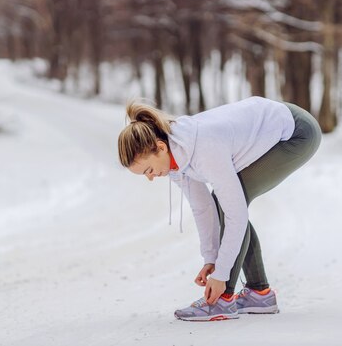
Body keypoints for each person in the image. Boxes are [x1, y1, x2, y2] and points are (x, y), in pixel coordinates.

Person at [117, 96, 321, 322]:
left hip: (297, 132)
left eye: (148, 170)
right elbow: (202, 207)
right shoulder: (174, 161)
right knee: (223, 200)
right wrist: (211, 259)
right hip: (276, 124)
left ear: (160, 147)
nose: (151, 178)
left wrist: (222, 275)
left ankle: (223, 299)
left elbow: (236, 213)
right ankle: (258, 294)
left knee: (232, 203)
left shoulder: (204, 148)